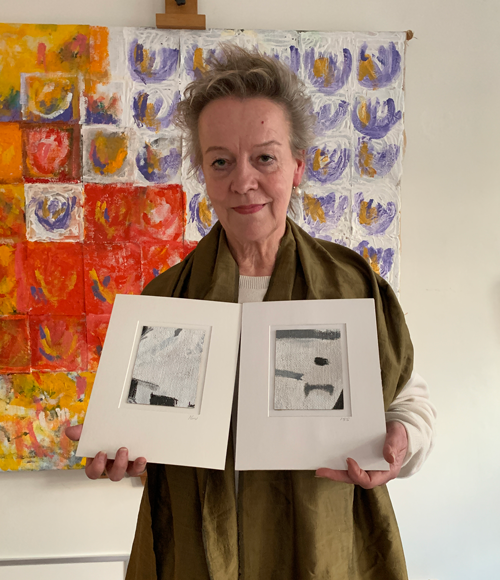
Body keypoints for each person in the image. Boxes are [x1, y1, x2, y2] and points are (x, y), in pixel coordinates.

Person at [67, 45, 436, 579]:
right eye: (221, 161)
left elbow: (407, 401)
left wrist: (402, 440)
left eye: (265, 158)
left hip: (322, 546)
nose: (242, 181)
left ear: (297, 166)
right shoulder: (168, 299)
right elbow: (151, 432)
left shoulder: (351, 288)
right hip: (196, 549)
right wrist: (119, 448)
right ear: (203, 171)